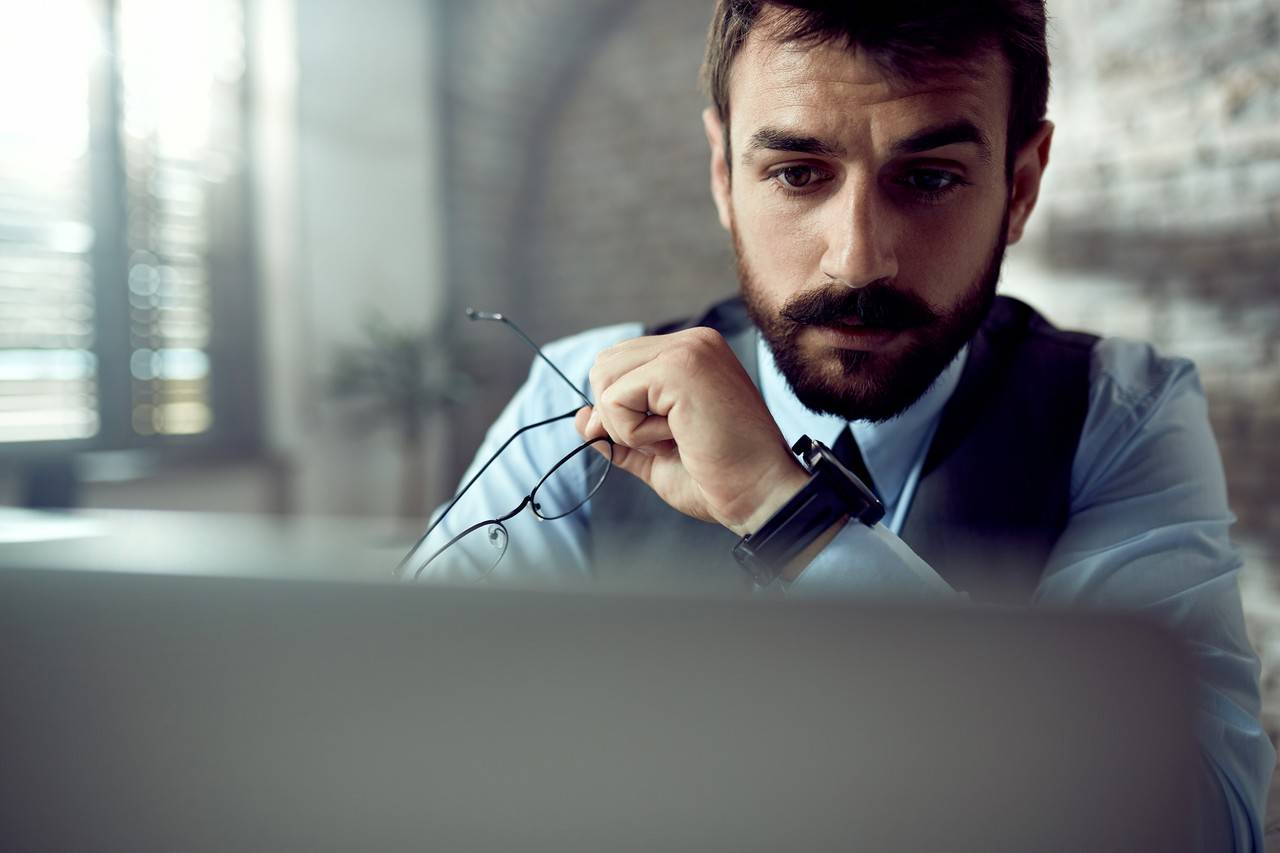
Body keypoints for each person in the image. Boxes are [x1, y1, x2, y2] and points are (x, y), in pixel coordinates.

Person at [411, 2, 1274, 848]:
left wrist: (791, 516)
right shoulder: (581, 393)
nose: (858, 256)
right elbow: (399, 740)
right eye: (797, 173)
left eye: (930, 177)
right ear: (724, 176)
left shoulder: (1122, 413)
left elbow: (1199, 824)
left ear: (1019, 187)